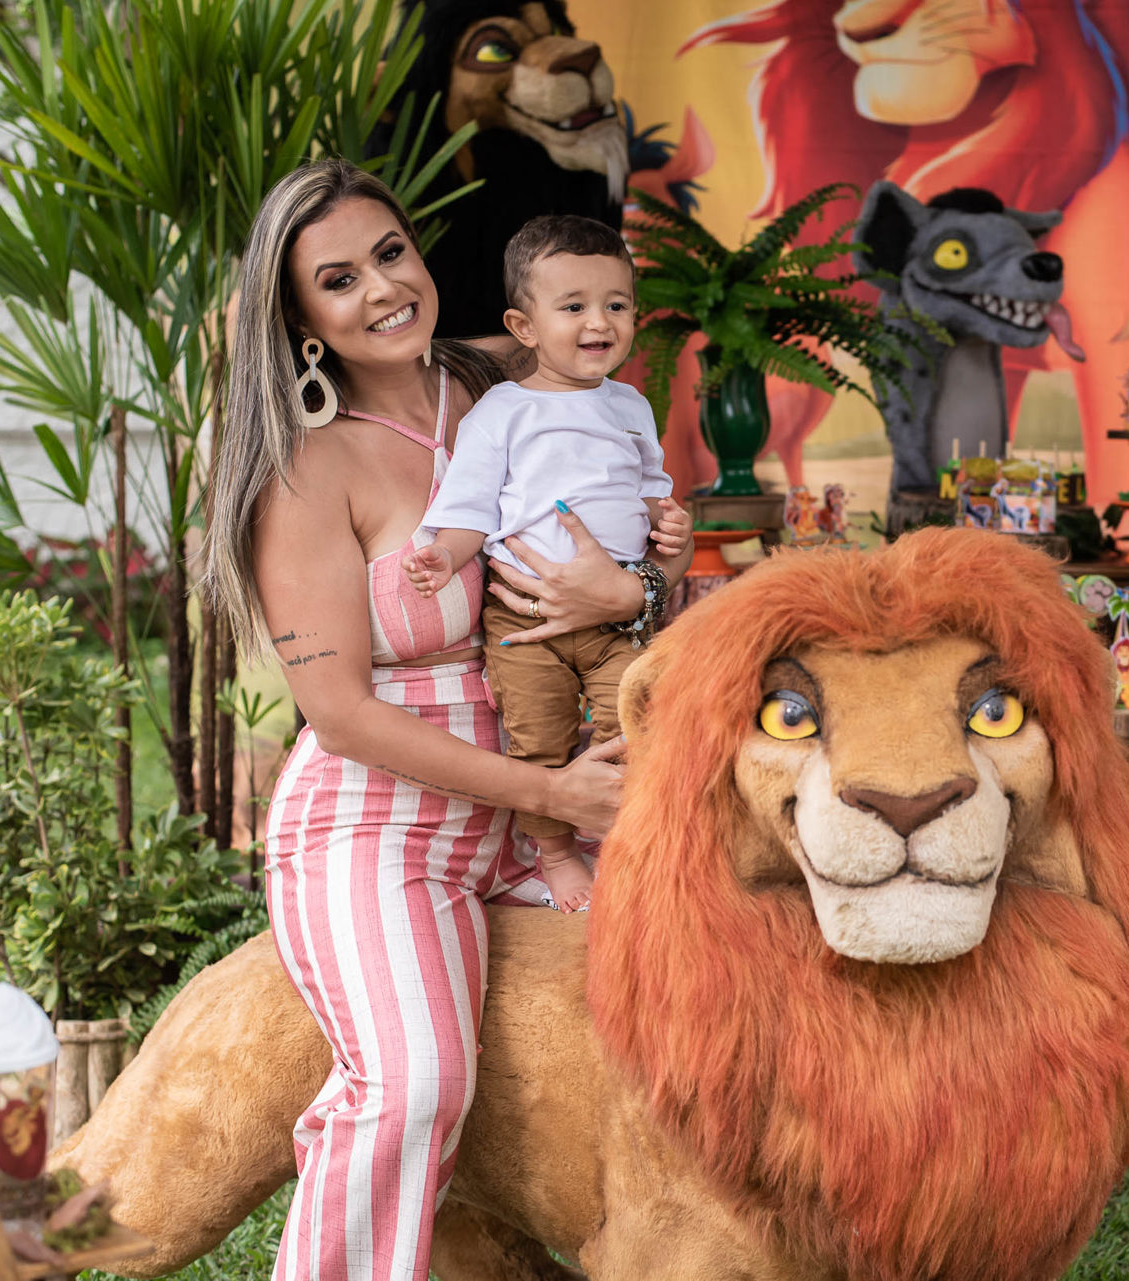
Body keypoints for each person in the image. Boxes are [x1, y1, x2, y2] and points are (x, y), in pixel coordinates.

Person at [199, 160, 654, 1281]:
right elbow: (341, 715)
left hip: (544, 806)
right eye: (338, 280)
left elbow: (636, 542)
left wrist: (631, 591)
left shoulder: (513, 378)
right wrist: (550, 794)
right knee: (412, 1086)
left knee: (706, 977)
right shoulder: (307, 471)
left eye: (390, 253)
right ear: (301, 321)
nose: (382, 290)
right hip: (380, 824)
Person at [404, 215, 692, 911]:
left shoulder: (630, 406)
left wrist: (669, 522)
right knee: (538, 738)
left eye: (616, 305)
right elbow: (471, 508)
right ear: (524, 326)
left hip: (617, 620)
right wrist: (444, 554)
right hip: (524, 625)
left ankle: (632, 846)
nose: (599, 322)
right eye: (574, 307)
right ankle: (557, 854)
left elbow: (649, 490)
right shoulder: (502, 412)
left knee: (639, 723)